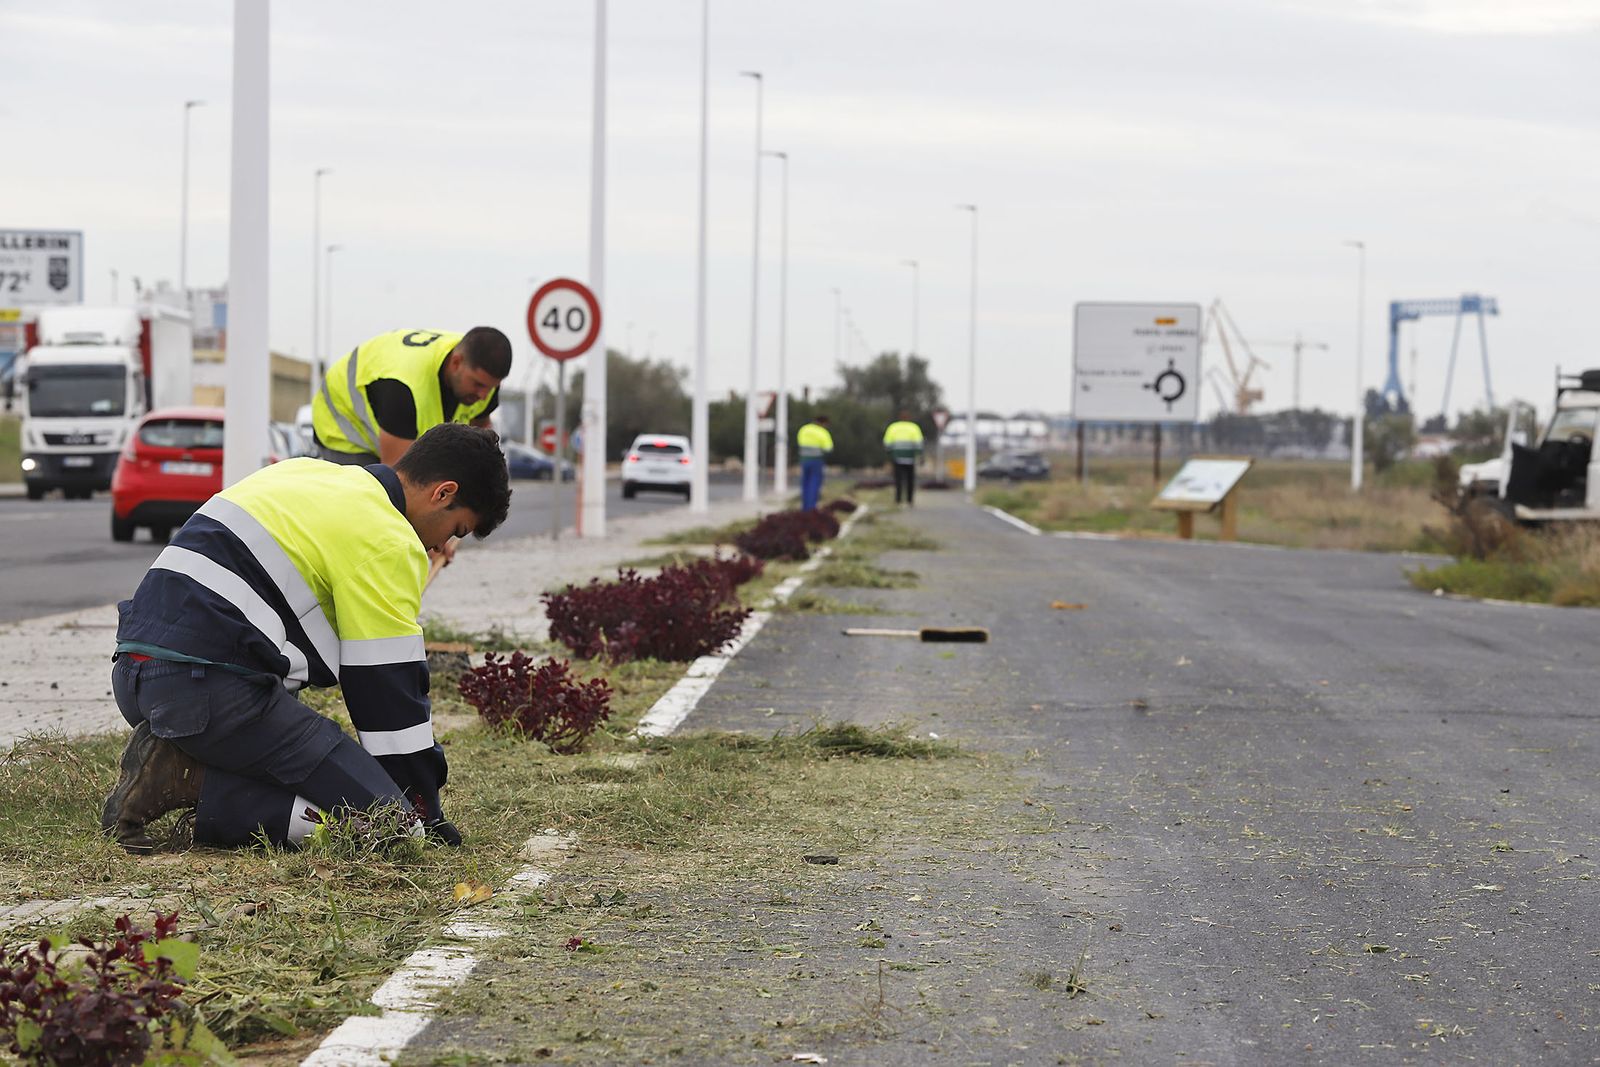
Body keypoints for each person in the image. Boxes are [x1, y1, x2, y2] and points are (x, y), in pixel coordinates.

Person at [101, 424, 512, 853]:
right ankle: (190, 781)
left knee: (310, 766)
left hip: (135, 677)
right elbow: (389, 694)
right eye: (455, 530)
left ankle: (183, 761)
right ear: (443, 493)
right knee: (391, 828)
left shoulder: (304, 473)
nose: (441, 545)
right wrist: (423, 809)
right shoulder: (388, 537)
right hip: (206, 694)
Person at [312, 327, 512, 467]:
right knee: (372, 503)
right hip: (344, 427)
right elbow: (399, 477)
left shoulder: (483, 378)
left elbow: (478, 443)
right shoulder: (402, 390)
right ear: (456, 363)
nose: (483, 395)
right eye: (478, 384)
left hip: (393, 420)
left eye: (492, 387)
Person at [882, 410, 925, 506]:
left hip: (897, 457)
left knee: (898, 479)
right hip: (910, 457)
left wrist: (889, 452)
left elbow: (887, 443)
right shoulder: (914, 428)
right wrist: (920, 455)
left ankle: (898, 500)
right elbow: (919, 443)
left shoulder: (893, 427)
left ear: (899, 418)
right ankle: (909, 500)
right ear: (909, 418)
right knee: (910, 480)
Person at [796, 414, 833, 511]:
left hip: (804, 460)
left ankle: (804, 508)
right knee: (814, 483)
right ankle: (811, 508)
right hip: (816, 461)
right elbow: (828, 448)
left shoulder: (804, 429)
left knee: (805, 484)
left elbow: (800, 443)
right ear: (823, 423)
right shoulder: (822, 432)